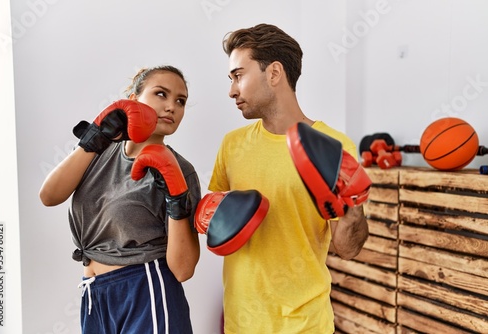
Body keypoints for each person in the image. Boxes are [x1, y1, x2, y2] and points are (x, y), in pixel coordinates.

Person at [208, 23, 369, 333]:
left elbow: (348, 249)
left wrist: (354, 206)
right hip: (241, 323)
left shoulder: (334, 148)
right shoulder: (232, 144)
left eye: (239, 75)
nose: (231, 90)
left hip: (304, 325)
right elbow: (216, 225)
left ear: (274, 73)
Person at [39, 65, 201, 334]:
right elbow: (49, 196)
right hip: (94, 296)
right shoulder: (100, 151)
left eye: (180, 101)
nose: (171, 106)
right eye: (161, 94)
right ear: (134, 99)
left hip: (146, 290)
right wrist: (93, 139)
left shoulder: (181, 170)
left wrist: (176, 197)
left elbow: (183, 270)